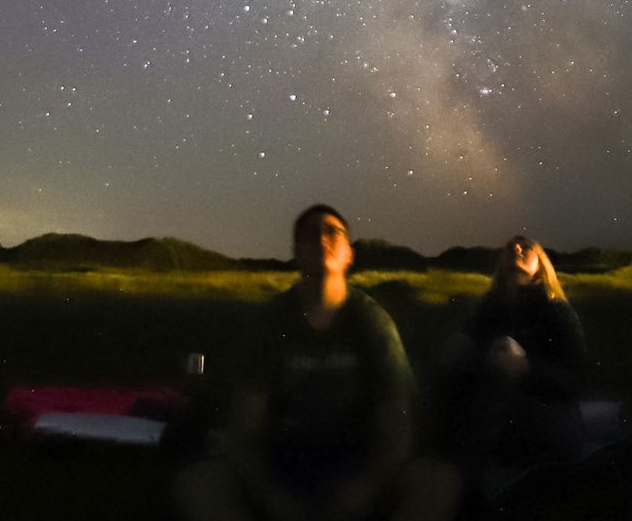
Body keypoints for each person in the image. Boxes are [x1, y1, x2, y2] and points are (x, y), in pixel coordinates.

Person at [175, 204, 459, 521]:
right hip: (283, 459)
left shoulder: (371, 321)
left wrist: (365, 488)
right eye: (310, 233)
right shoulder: (273, 321)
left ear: (349, 254)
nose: (321, 238)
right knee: (199, 482)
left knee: (437, 481)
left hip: (355, 459)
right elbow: (247, 427)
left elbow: (396, 425)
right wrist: (272, 495)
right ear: (296, 253)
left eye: (332, 232)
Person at [435, 236, 588, 487]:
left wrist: (526, 368)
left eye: (525, 246)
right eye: (509, 247)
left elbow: (577, 381)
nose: (516, 249)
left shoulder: (556, 310)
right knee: (456, 349)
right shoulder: (487, 309)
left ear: (541, 264)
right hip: (492, 402)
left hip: (544, 407)